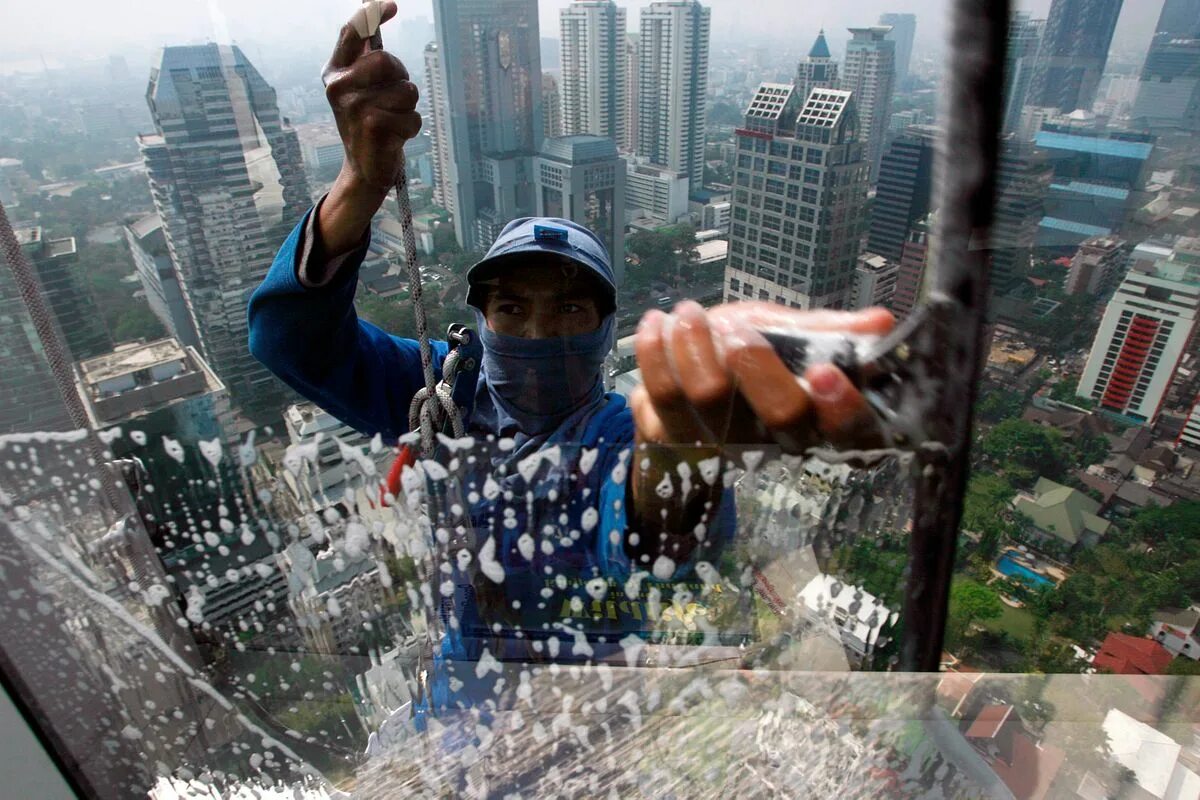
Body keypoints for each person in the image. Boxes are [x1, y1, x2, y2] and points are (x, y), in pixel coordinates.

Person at [247, 2, 892, 677]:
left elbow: (652, 540)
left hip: (589, 702)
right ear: (483, 316)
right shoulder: (447, 390)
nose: (535, 333)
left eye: (569, 310)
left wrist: (681, 452)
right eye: (512, 307)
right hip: (462, 688)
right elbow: (291, 340)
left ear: (605, 328)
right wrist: (359, 184)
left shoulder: (614, 435)